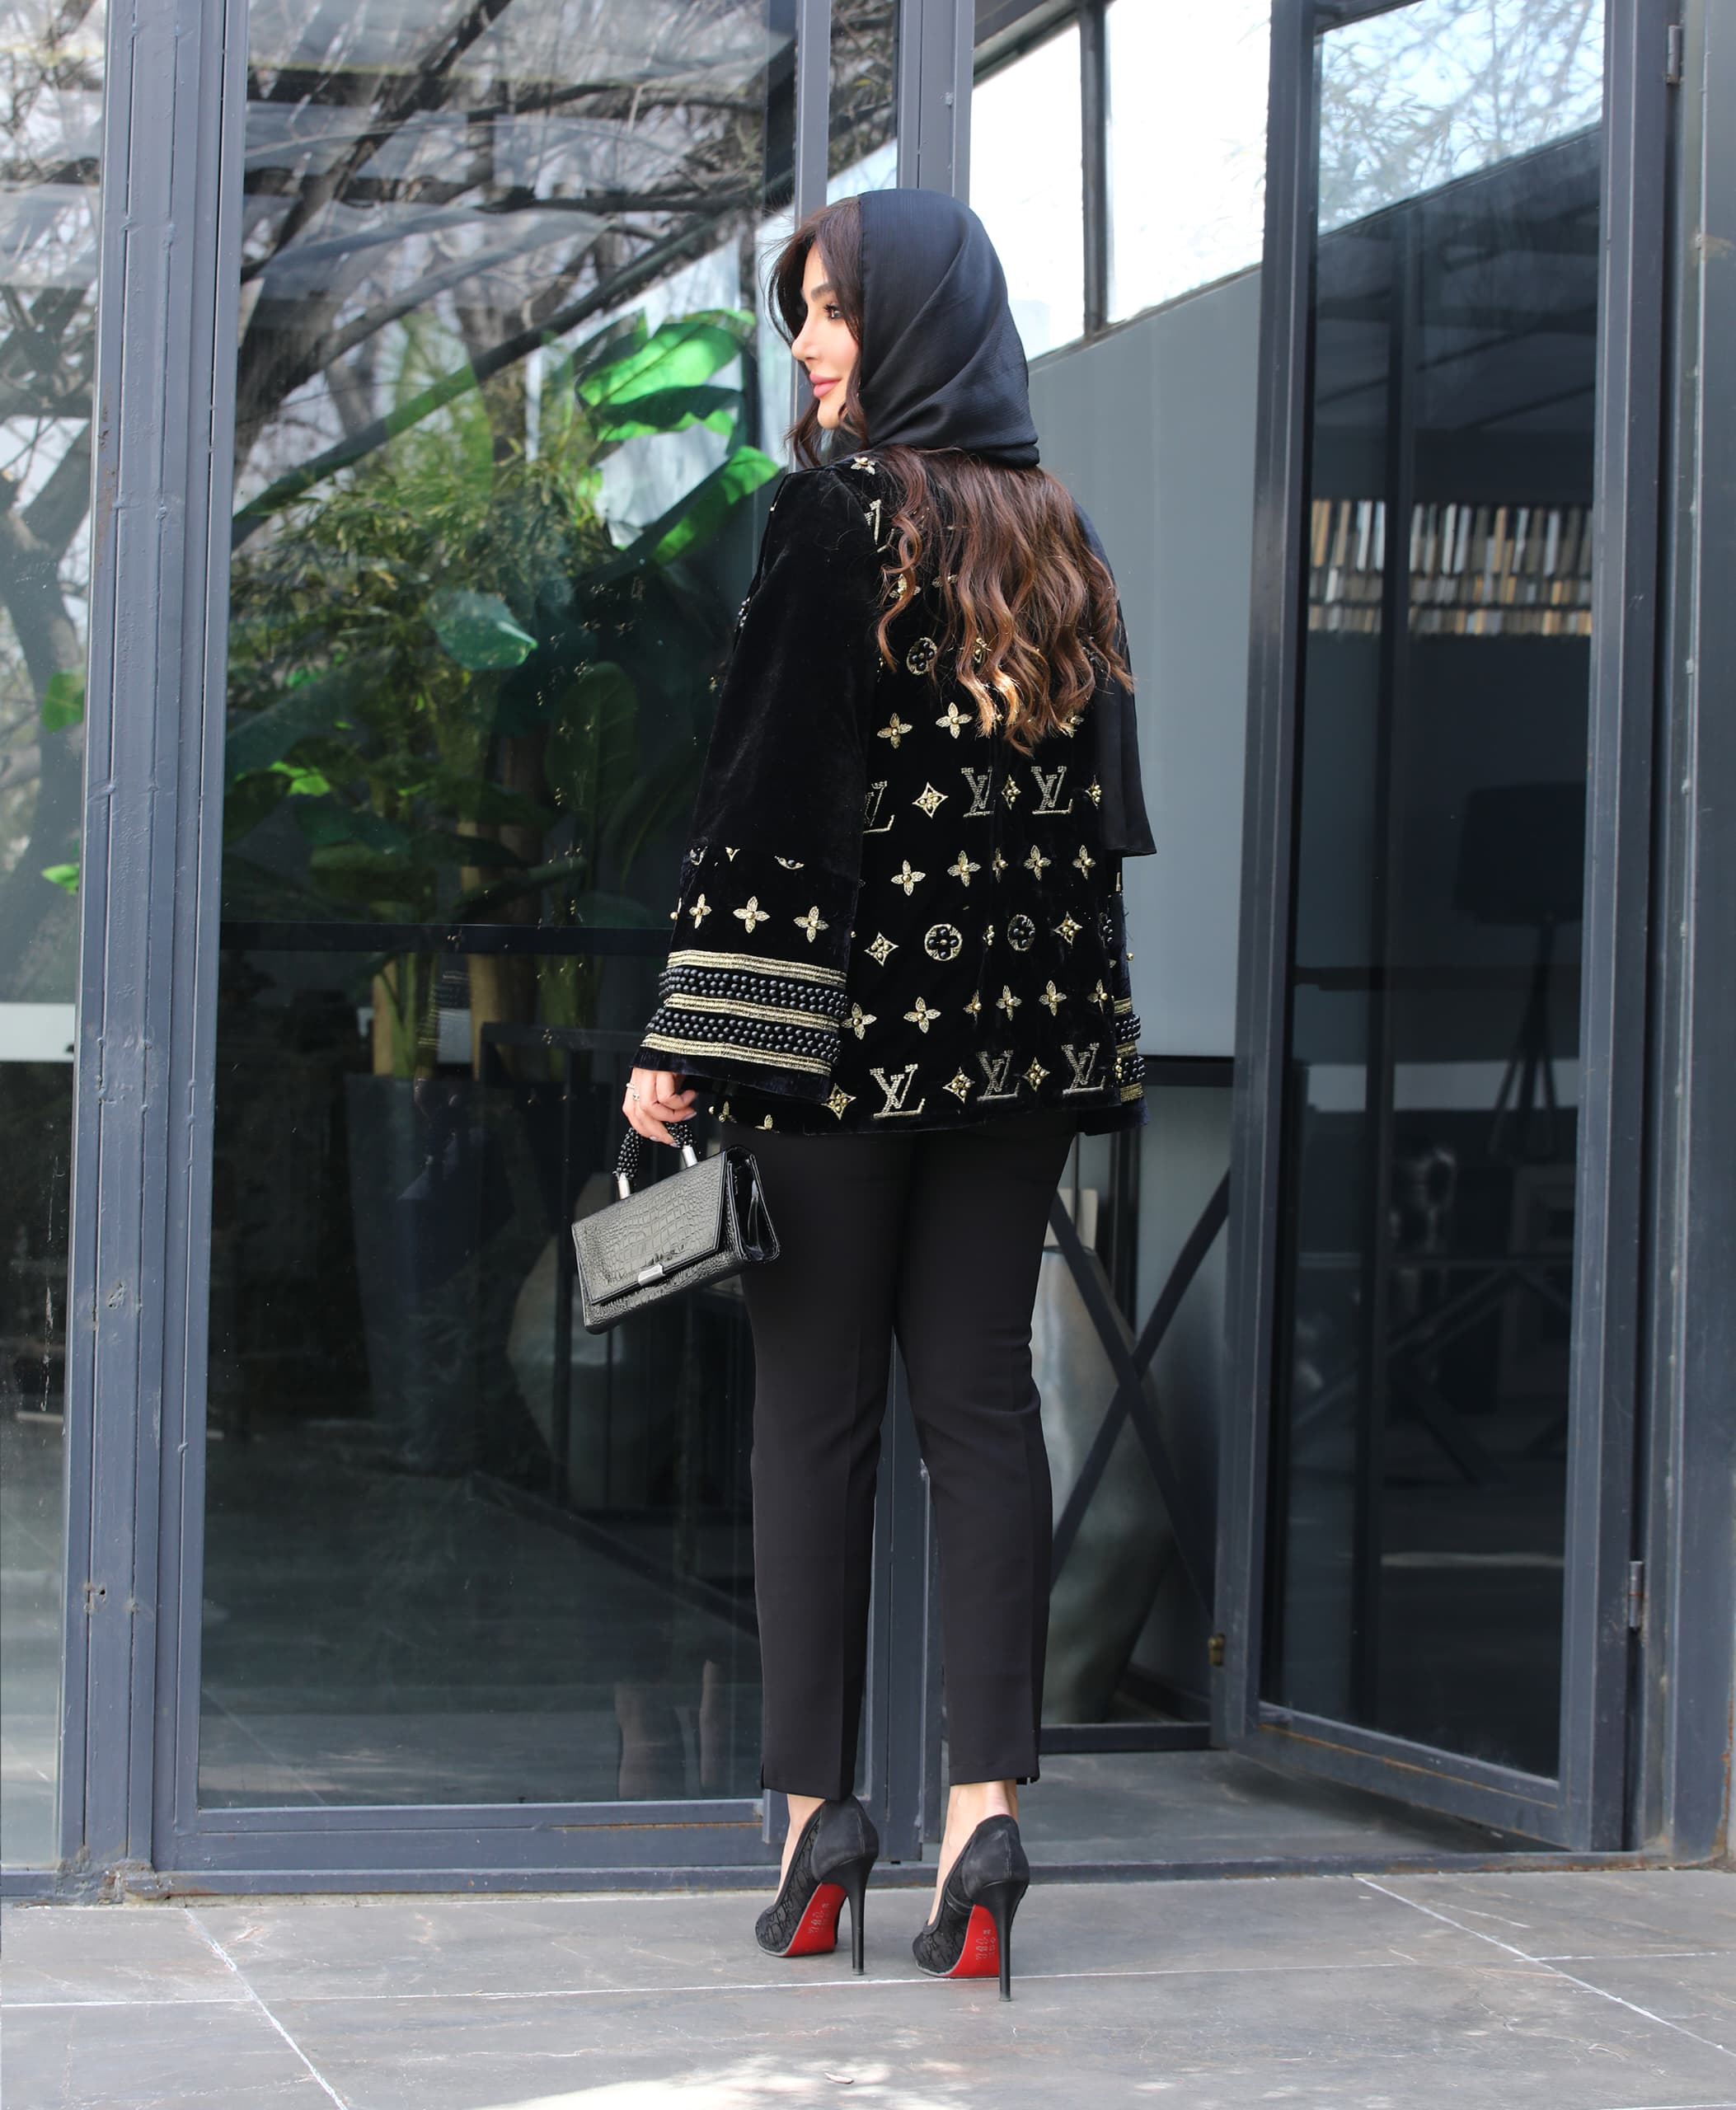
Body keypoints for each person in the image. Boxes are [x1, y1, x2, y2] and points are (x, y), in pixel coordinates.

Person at [622, 185, 1153, 2000]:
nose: (809, 343)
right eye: (801, 310)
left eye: (837, 307)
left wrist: (686, 1037)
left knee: (814, 1420)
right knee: (982, 1410)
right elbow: (1098, 830)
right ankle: (981, 1820)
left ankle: (813, 1823)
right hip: (1016, 1053)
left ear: (918, 319)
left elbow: (768, 802)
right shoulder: (1058, 536)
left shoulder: (833, 518)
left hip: (836, 1051)